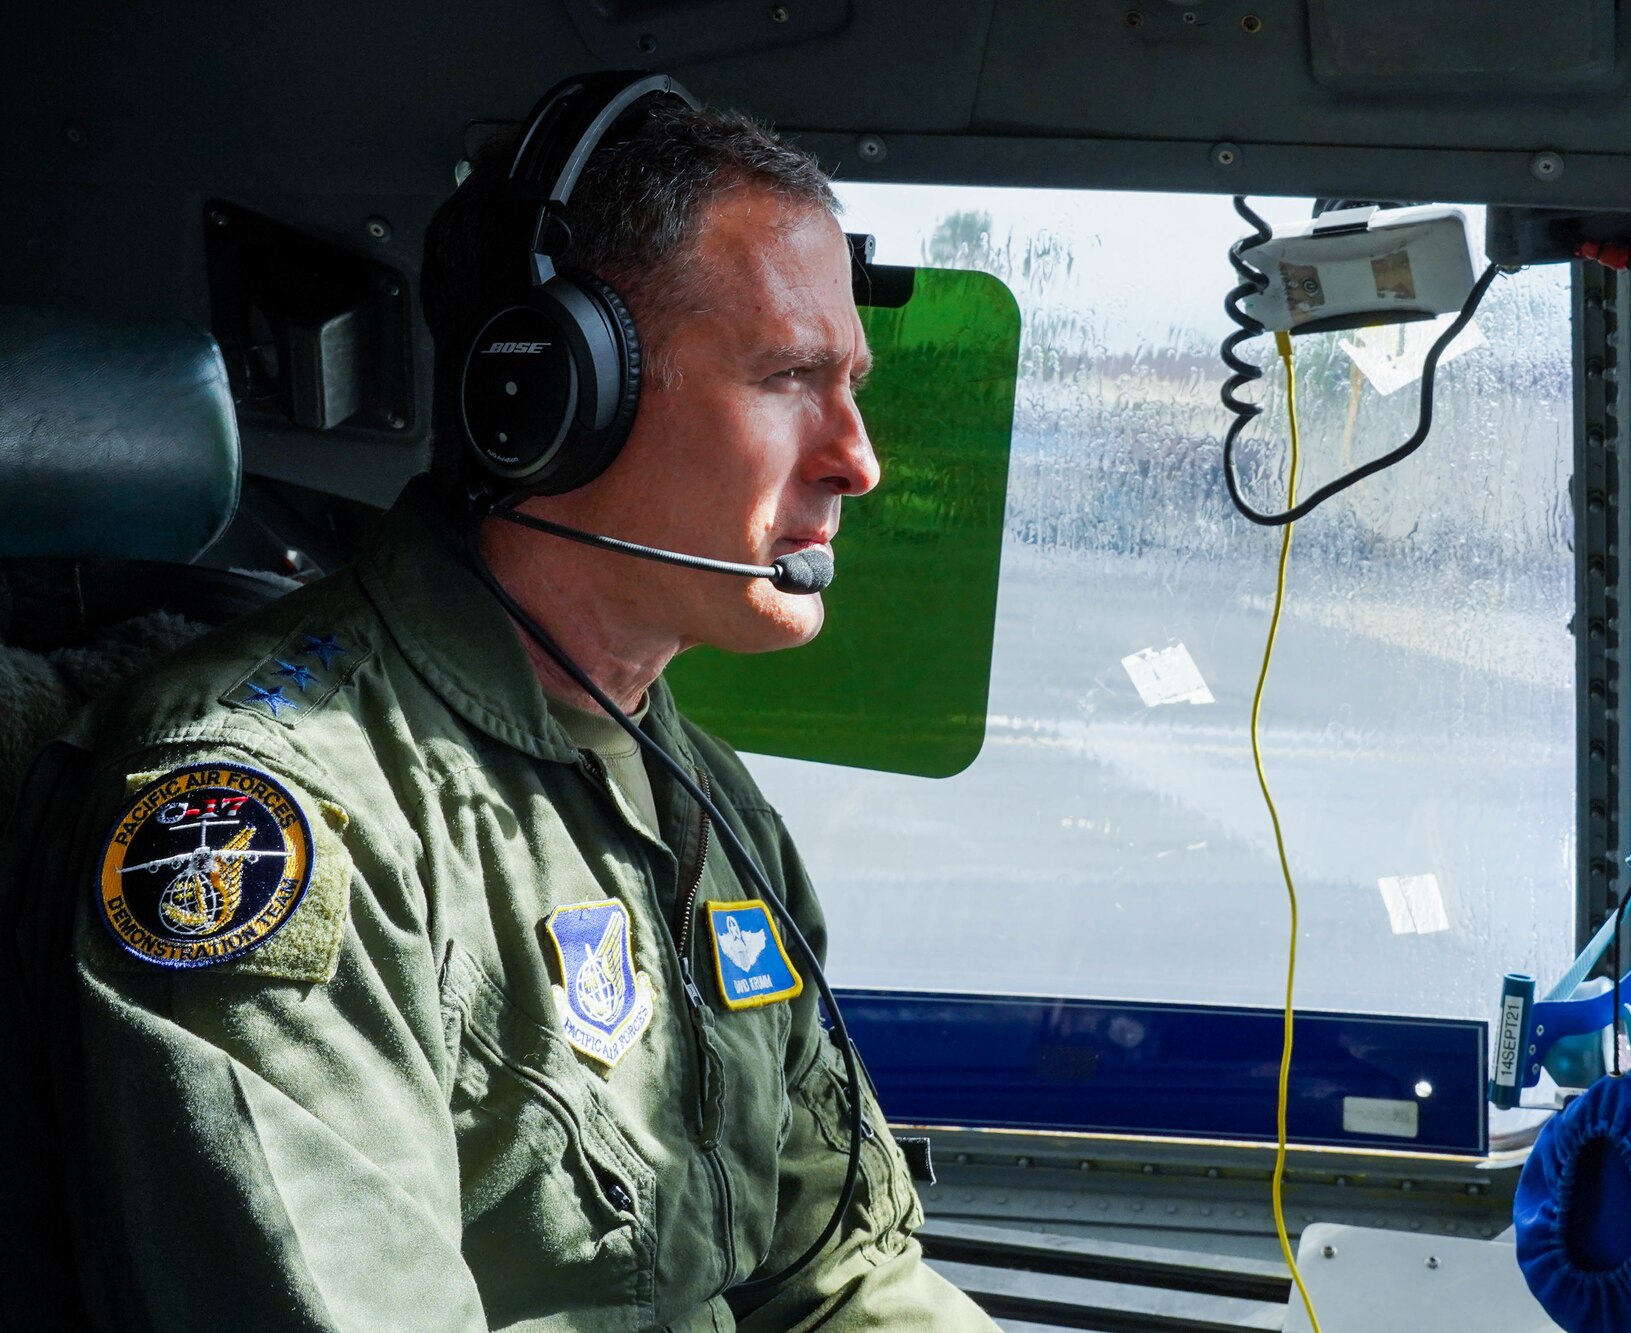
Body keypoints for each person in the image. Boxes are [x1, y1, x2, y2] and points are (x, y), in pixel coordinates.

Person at [17, 80, 998, 1330]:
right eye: (792, 374)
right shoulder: (271, 821)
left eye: (849, 380)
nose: (857, 456)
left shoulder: (705, 804)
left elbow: (834, 1274)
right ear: (555, 397)